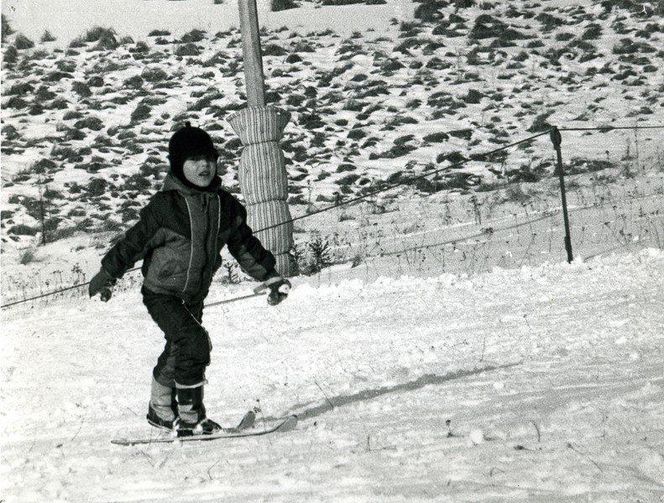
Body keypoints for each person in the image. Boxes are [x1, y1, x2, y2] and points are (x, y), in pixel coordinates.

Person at [88, 123, 291, 436]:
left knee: (179, 349)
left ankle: (159, 410)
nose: (204, 165)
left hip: (194, 293)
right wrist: (107, 274)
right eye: (194, 159)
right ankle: (191, 417)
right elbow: (133, 243)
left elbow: (244, 246)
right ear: (178, 165)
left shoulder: (224, 207)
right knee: (195, 342)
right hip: (162, 293)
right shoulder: (165, 208)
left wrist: (271, 277)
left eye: (209, 158)